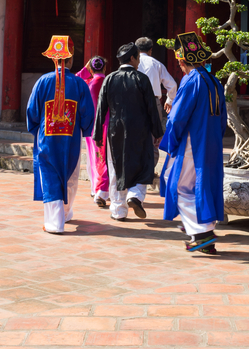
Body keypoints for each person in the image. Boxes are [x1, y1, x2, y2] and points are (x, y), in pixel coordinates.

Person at [159, 32, 227, 254]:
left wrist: (171, 140)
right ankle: (197, 227)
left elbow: (178, 117)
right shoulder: (214, 81)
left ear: (181, 61)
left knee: (175, 184)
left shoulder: (191, 80)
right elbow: (222, 119)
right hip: (212, 142)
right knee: (201, 184)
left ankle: (201, 231)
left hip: (192, 142)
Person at [26, 36, 95, 234]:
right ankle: (64, 214)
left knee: (49, 175)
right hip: (70, 138)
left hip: (47, 137)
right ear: (71, 59)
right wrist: (85, 130)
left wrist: (36, 130)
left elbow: (32, 111)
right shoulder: (80, 84)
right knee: (70, 173)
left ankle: (55, 223)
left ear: (53, 59)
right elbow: (87, 113)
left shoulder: (42, 82)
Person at [94, 42, 163, 221]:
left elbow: (101, 107)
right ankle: (136, 196)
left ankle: (118, 210)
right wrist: (157, 130)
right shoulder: (142, 79)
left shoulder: (109, 79)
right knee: (143, 162)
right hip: (140, 129)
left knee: (116, 166)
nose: (139, 62)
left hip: (115, 130)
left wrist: (97, 134)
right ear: (132, 58)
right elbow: (151, 108)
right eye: (138, 58)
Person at [135, 36, 179, 166]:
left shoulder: (132, 63)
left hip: (135, 102)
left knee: (135, 133)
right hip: (153, 102)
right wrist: (170, 100)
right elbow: (172, 85)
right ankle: (150, 169)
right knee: (154, 136)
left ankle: (137, 168)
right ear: (150, 50)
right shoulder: (156, 63)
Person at [77, 55, 109, 208]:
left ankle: (96, 188)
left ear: (91, 68)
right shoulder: (110, 81)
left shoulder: (87, 83)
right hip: (108, 125)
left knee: (94, 158)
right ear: (105, 67)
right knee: (107, 158)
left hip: (92, 126)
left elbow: (76, 78)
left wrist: (85, 69)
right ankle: (104, 190)